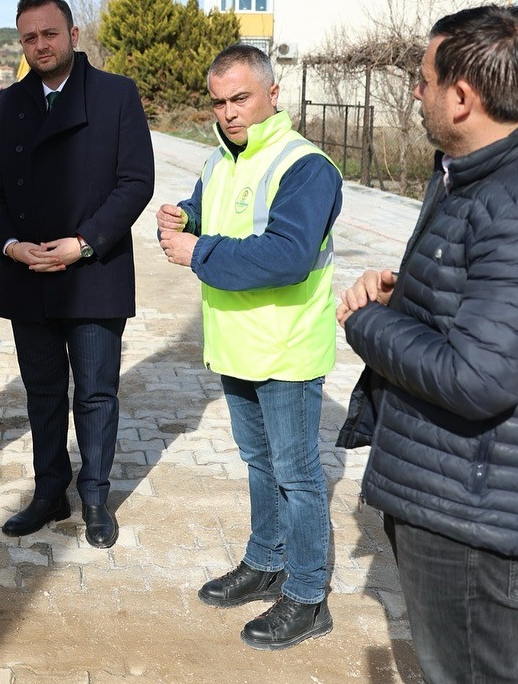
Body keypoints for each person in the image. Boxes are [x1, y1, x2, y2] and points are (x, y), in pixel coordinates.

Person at [337, 5, 518, 683]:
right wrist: (403, 297)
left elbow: (476, 377)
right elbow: (477, 313)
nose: (417, 94)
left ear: (462, 97)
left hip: (476, 505)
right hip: (451, 482)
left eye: (423, 80)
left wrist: (364, 321)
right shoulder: (477, 171)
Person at [156, 43, 341, 649]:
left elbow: (288, 256)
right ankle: (265, 562)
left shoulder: (305, 167)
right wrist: (185, 217)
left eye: (241, 98)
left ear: (272, 94)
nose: (229, 112)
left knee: (298, 476)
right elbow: (213, 213)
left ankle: (308, 595)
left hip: (285, 348)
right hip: (235, 344)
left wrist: (198, 253)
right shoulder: (219, 161)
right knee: (260, 465)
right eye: (219, 102)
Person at [0, 0, 153, 549]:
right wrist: (10, 245)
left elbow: (136, 183)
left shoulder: (117, 95)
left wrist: (85, 243)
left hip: (93, 271)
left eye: (50, 34)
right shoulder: (9, 103)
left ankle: (95, 498)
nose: (40, 45)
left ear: (73, 35)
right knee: (42, 392)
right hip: (29, 272)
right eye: (29, 38)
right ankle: (49, 492)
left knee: (96, 393)